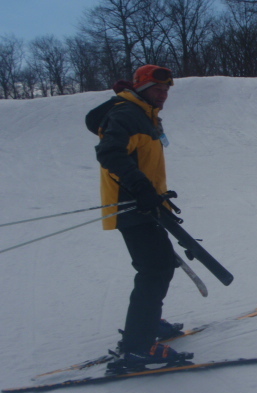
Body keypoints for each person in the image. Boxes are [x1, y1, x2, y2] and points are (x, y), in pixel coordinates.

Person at [86, 65, 193, 368]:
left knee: (160, 265)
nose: (164, 95)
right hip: (132, 206)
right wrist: (141, 189)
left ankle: (148, 323)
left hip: (147, 205)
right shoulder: (127, 114)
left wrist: (152, 195)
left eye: (167, 90)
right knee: (155, 268)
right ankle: (137, 345)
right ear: (142, 88)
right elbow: (110, 152)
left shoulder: (144, 114)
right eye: (158, 89)